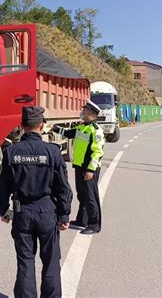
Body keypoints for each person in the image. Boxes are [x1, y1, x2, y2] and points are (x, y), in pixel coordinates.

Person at [0, 106, 73, 298]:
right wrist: (64, 215)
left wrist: (3, 210)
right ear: (42, 126)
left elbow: (2, 185)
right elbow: (63, 187)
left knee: (25, 261)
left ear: (21, 126)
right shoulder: (52, 152)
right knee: (51, 261)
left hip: (23, 213)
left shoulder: (11, 152)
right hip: (47, 211)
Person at [52, 100, 105, 235]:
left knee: (91, 197)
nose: (83, 112)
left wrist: (91, 170)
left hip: (89, 169)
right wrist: (54, 128)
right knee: (82, 195)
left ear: (92, 114)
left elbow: (97, 152)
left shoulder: (95, 131)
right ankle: (82, 220)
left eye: (85, 111)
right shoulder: (83, 128)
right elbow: (69, 133)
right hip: (80, 167)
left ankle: (94, 224)